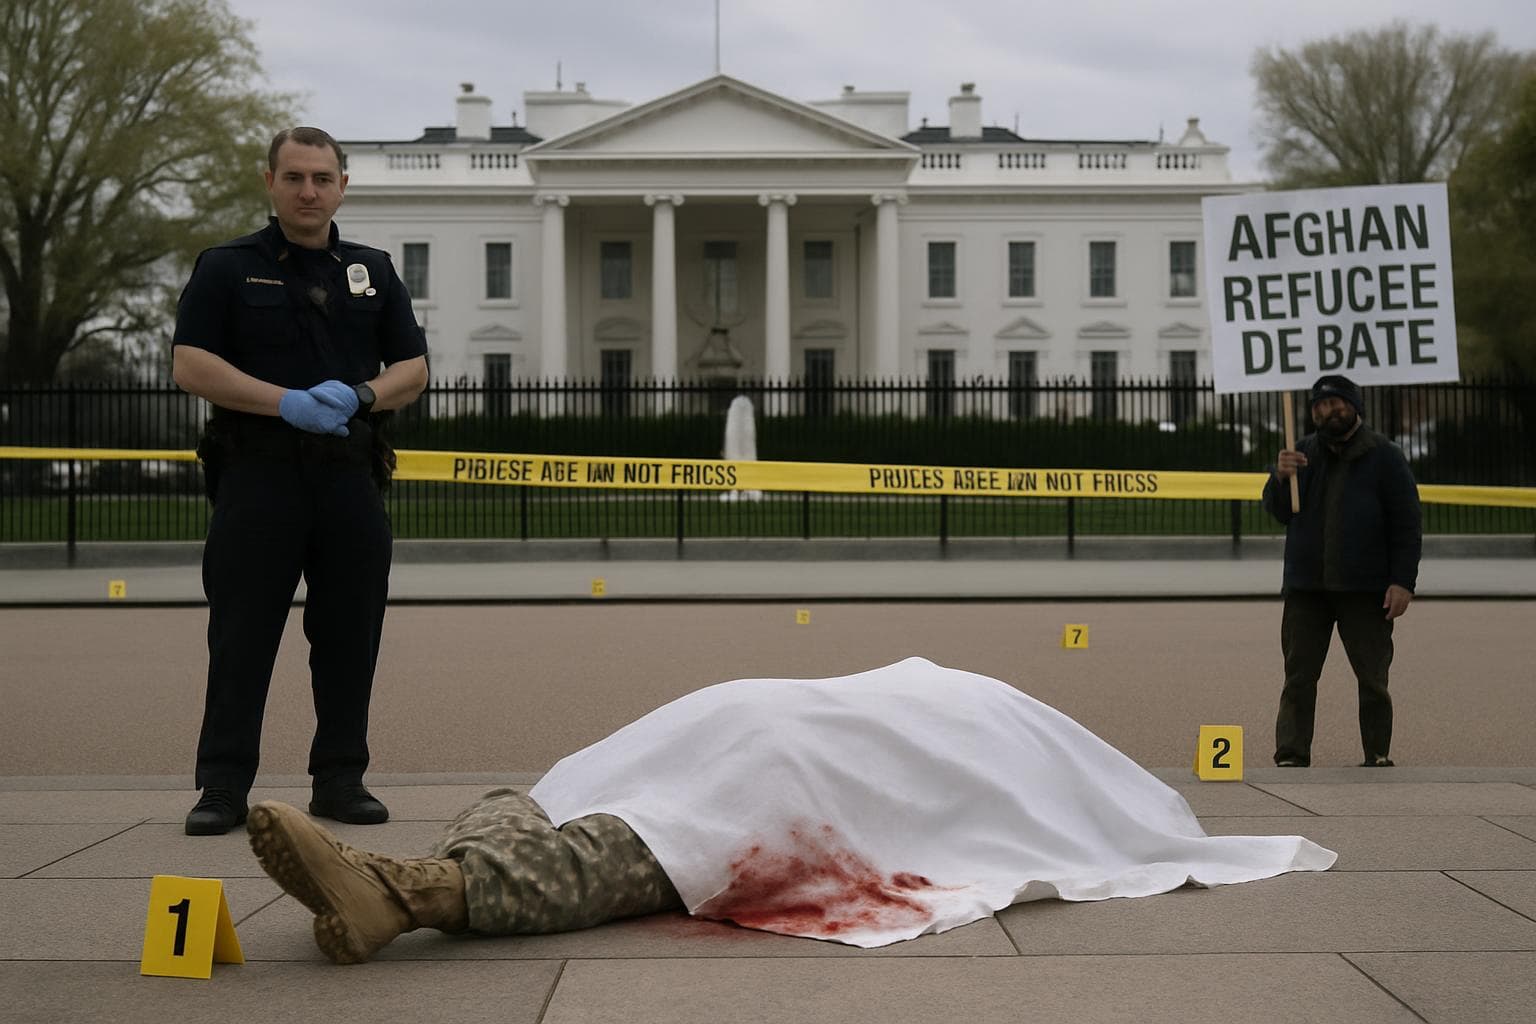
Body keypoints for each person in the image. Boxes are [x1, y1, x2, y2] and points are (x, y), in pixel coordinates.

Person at [246, 658, 1335, 963]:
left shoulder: (1018, 736)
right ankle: (403, 892)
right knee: (551, 809)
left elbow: (965, 789)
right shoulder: (1004, 719)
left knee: (625, 843)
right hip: (755, 732)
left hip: (774, 764)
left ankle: (408, 890)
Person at [172, 127, 429, 835]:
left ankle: (340, 779)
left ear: (343, 185)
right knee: (241, 634)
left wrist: (362, 396)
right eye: (295, 178)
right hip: (257, 471)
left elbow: (414, 368)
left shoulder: (373, 270)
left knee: (351, 633)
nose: (309, 191)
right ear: (270, 183)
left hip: (348, 474)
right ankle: (222, 787)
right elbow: (190, 364)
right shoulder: (226, 267)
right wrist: (281, 401)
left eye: (322, 178)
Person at [1264, 374, 1422, 769]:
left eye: (1335, 403)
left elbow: (1407, 523)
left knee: (1372, 679)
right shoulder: (1300, 453)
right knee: (1298, 678)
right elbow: (1280, 511)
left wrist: (1403, 582)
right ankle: (1291, 755)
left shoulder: (1384, 455)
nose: (1327, 411)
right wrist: (1279, 479)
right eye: (1319, 406)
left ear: (1354, 406)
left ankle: (1378, 753)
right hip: (1307, 588)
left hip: (1364, 589)